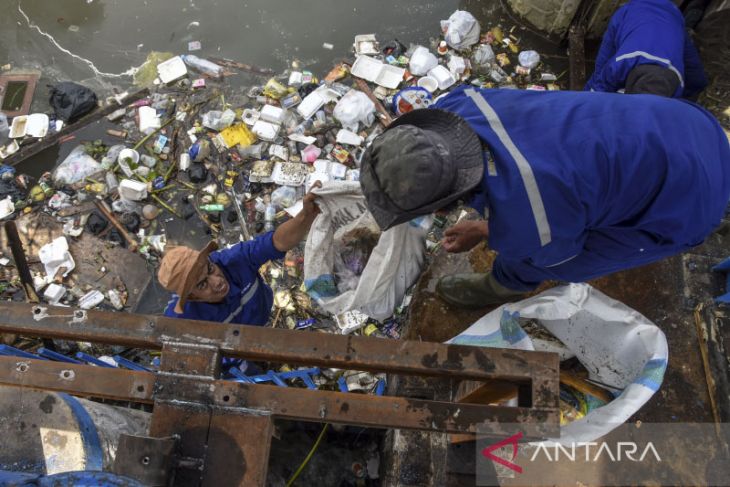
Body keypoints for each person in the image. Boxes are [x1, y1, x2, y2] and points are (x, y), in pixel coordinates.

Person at [359, 86, 730, 308]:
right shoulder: (458, 104)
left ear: (440, 206)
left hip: (694, 195)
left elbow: (548, 238)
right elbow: (496, 167)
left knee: (547, 258)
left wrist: (493, 231)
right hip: (683, 122)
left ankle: (502, 286)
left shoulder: (531, 214)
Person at [158, 185, 320, 324]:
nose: (217, 281)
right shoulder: (181, 318)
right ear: (192, 297)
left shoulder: (234, 260)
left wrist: (305, 215)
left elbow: (277, 242)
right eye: (202, 284)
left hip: (262, 315)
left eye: (210, 268)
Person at [585, 0, 707, 99]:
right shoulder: (622, 63)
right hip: (669, 18)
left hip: (668, 19)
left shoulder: (677, 83)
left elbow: (600, 72)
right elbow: (696, 76)